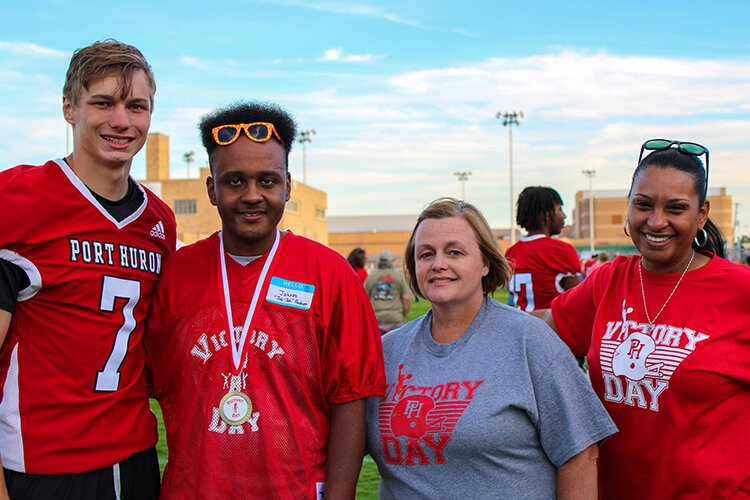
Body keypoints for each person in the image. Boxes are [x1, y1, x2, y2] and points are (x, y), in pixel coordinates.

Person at [145, 101, 386, 499]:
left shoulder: (330, 275)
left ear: (288, 185)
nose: (252, 195)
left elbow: (350, 401)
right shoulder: (174, 275)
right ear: (212, 188)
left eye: (268, 181)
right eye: (235, 181)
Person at [0, 40, 175, 499]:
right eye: (103, 103)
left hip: (135, 457)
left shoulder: (159, 221)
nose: (122, 121)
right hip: (44, 465)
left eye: (136, 106)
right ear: (69, 108)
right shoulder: (20, 199)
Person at [535, 139, 750, 499]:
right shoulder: (608, 280)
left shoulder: (740, 290)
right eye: (643, 205)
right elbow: (539, 330)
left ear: (702, 214)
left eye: (676, 208)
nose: (656, 221)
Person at [365, 198, 616, 499]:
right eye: (426, 254)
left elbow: (581, 455)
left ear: (485, 263)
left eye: (454, 252)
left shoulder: (530, 341)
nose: (438, 264)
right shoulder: (386, 351)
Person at [505, 186, 581, 312]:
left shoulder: (511, 252)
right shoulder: (561, 249)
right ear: (544, 215)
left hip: (520, 327)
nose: (564, 215)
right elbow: (579, 299)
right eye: (559, 209)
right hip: (552, 328)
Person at [364, 250, 412, 334]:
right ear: (393, 261)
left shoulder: (371, 277)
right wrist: (404, 315)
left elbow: (363, 299)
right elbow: (406, 298)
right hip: (395, 318)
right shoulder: (399, 276)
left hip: (376, 319)